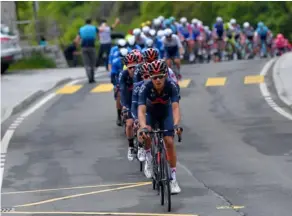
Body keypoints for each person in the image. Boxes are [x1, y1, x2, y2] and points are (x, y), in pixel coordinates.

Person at [138, 59, 182, 194]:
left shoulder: (171, 86)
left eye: (161, 76)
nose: (158, 80)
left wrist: (175, 125)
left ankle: (173, 178)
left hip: (166, 112)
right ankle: (149, 160)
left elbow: (175, 108)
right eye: (154, 77)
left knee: (169, 141)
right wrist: (144, 126)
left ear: (166, 76)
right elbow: (141, 110)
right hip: (151, 113)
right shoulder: (145, 87)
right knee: (146, 135)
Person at [119, 52, 138, 161]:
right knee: (130, 124)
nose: (133, 70)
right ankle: (131, 146)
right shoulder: (123, 75)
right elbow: (122, 91)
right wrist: (125, 107)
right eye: (130, 68)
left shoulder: (140, 73)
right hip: (129, 101)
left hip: (139, 101)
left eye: (134, 67)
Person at [131, 62, 151, 162]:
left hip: (154, 111)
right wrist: (136, 119)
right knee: (142, 126)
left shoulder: (157, 84)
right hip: (142, 110)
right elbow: (134, 105)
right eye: (146, 76)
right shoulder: (138, 87)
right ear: (142, 76)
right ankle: (141, 147)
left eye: (150, 76)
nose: (148, 78)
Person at [75, 18, 99, 83]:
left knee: (86, 64)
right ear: (91, 22)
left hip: (84, 48)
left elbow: (77, 39)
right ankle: (92, 77)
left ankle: (89, 77)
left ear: (85, 23)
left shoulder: (81, 29)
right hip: (92, 47)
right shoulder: (94, 28)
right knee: (92, 63)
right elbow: (98, 36)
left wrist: (77, 46)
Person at [111, 48, 129, 126]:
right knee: (119, 95)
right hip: (119, 82)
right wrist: (115, 85)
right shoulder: (115, 62)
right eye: (122, 58)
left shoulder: (132, 61)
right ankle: (118, 116)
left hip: (129, 81)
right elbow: (112, 75)